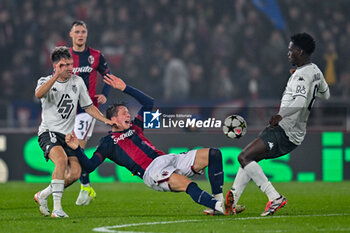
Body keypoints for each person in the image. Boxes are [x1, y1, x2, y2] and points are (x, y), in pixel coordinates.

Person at [65, 74, 234, 215]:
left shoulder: (135, 127)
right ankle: (219, 206)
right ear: (113, 120)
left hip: (168, 158)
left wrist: (125, 88)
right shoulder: (108, 142)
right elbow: (89, 166)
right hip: (152, 171)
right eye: (124, 113)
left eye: (128, 112)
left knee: (214, 154)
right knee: (188, 184)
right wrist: (77, 149)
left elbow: (148, 103)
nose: (128, 115)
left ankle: (218, 203)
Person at [226, 32, 330, 216]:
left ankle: (274, 197)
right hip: (293, 130)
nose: (288, 54)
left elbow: (298, 103)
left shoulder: (302, 76)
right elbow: (325, 94)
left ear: (300, 51)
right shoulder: (315, 71)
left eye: (291, 51)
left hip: (285, 130)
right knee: (249, 158)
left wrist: (281, 115)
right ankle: (231, 203)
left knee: (244, 157)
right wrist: (309, 90)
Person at [33, 46, 114, 218]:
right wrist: (56, 76)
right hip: (49, 132)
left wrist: (106, 120)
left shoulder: (77, 82)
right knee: (61, 160)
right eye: (65, 65)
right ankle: (57, 209)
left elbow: (88, 107)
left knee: (76, 173)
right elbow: (39, 94)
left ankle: (43, 195)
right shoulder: (45, 81)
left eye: (70, 64)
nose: (71, 68)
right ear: (56, 66)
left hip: (68, 135)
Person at [69, 20, 112, 206]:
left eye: (83, 31)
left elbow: (108, 76)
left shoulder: (96, 55)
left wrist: (105, 94)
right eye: (77, 31)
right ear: (71, 34)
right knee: (72, 150)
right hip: (67, 110)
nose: (80, 34)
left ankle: (85, 186)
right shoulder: (65, 56)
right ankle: (86, 184)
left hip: (88, 110)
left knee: (77, 146)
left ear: (86, 34)